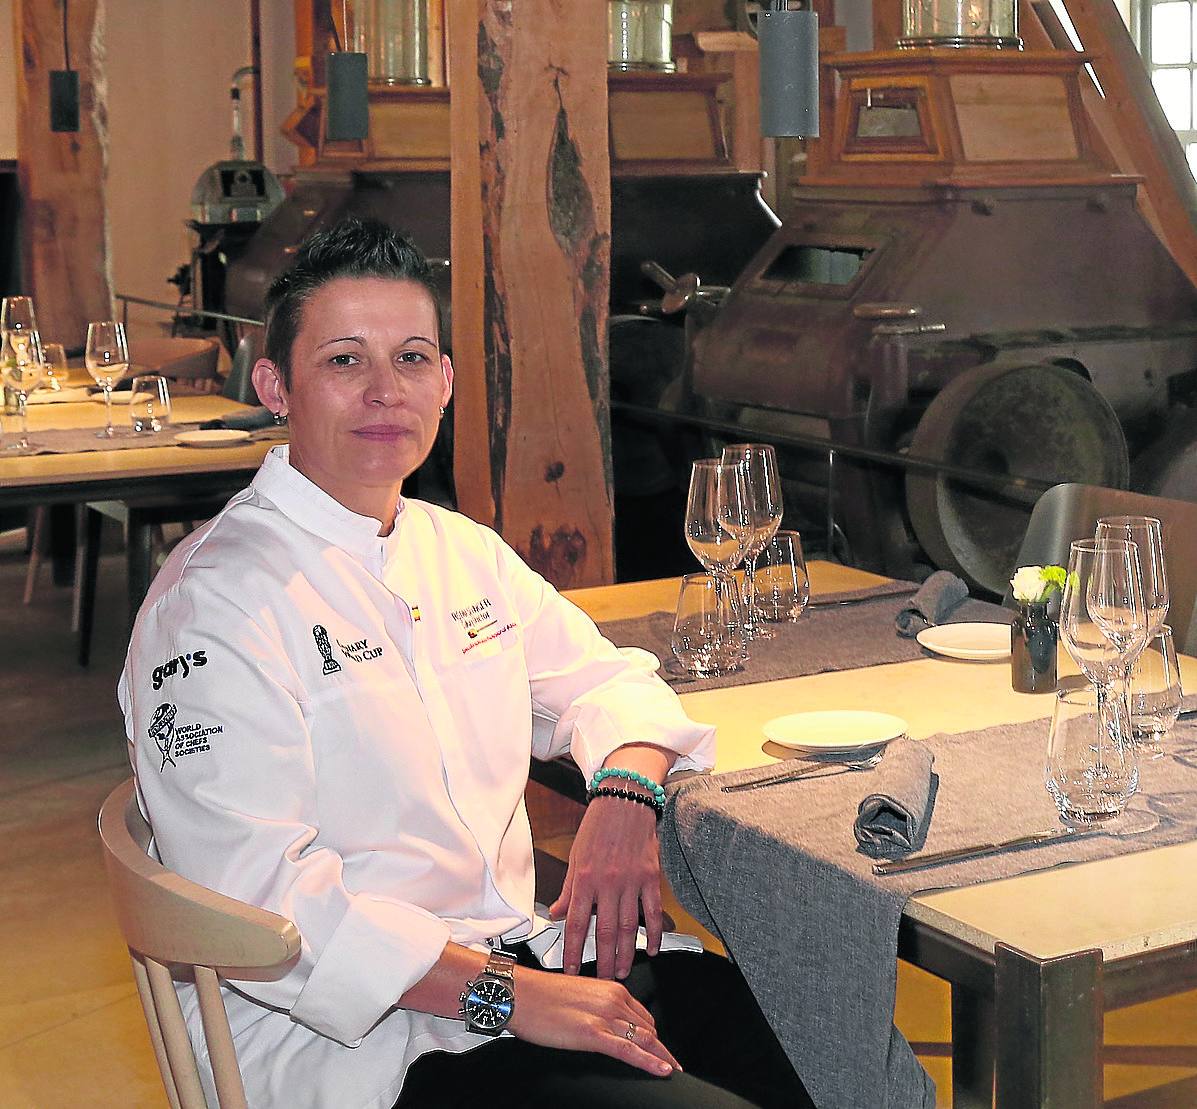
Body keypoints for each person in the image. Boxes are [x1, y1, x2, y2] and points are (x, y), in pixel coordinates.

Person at [118, 219, 812, 1109]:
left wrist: (625, 795)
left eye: (411, 358)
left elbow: (610, 681)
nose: (383, 391)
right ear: (274, 387)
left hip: (516, 956)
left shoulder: (456, 551)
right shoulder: (214, 605)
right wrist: (512, 999)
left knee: (812, 1056)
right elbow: (269, 915)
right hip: (356, 1040)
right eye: (342, 361)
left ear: (445, 381)